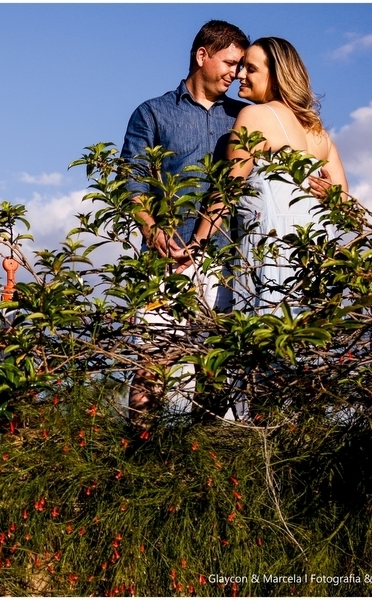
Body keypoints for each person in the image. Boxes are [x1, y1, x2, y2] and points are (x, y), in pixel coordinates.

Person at [189, 37, 349, 421]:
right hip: (313, 261)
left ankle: (257, 446)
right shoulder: (318, 132)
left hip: (270, 256)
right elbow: (345, 205)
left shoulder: (255, 117)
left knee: (259, 360)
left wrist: (197, 244)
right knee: (301, 362)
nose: (240, 75)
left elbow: (229, 188)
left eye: (251, 68)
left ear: (276, 76)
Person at [121, 20, 250, 419]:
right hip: (168, 256)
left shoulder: (245, 117)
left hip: (226, 259)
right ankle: (138, 448)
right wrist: (152, 230)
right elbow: (132, 181)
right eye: (229, 62)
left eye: (240, 65)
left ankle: (203, 453)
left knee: (216, 368)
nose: (236, 73)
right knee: (153, 362)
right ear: (202, 55)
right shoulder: (152, 113)